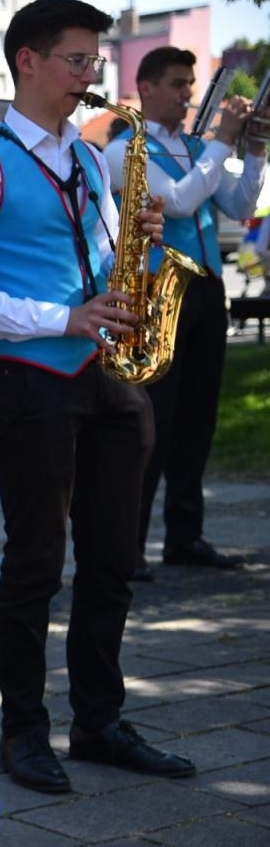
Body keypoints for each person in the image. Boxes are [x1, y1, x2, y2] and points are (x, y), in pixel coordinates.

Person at [0, 0, 193, 796]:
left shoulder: (85, 157)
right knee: (35, 563)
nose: (91, 77)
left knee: (113, 560)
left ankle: (99, 719)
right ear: (28, 62)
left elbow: (98, 245)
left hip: (104, 373)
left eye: (94, 63)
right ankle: (23, 732)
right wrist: (61, 315)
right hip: (28, 379)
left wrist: (136, 237)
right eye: (77, 61)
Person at [105, 46, 264, 578]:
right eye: (176, 83)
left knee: (198, 417)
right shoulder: (126, 149)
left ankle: (185, 534)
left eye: (190, 83)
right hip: (159, 293)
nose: (187, 93)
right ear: (145, 88)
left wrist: (256, 148)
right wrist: (220, 142)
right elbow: (177, 201)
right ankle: (127, 544)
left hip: (205, 290)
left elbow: (240, 207)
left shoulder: (197, 146)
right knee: (156, 419)